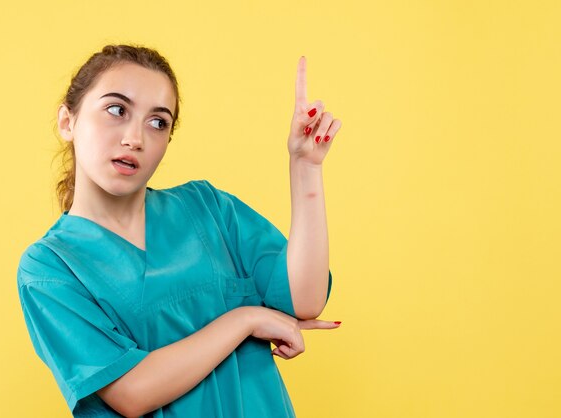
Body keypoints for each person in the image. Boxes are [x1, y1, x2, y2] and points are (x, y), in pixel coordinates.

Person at [17, 44, 343, 418]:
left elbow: (304, 300)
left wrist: (305, 167)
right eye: (116, 110)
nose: (134, 138)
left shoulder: (208, 209)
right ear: (67, 121)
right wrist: (246, 319)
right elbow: (132, 392)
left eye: (158, 122)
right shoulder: (50, 268)